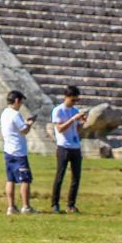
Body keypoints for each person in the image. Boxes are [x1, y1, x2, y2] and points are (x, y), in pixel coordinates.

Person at [50, 85, 88, 214]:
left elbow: (77, 130)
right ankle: (55, 203)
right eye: (72, 100)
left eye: (76, 101)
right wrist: (73, 119)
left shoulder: (75, 110)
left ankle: (71, 204)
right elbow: (59, 129)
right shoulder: (58, 110)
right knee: (60, 176)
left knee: (76, 177)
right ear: (66, 97)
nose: (74, 103)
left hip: (75, 146)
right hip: (63, 146)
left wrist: (82, 122)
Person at [1, 90, 37, 215]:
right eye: (21, 102)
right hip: (18, 152)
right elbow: (24, 131)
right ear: (16, 100)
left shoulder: (4, 113)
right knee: (25, 179)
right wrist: (29, 124)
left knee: (10, 179)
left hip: (8, 151)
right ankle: (26, 206)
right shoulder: (15, 114)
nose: (21, 104)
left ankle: (11, 207)